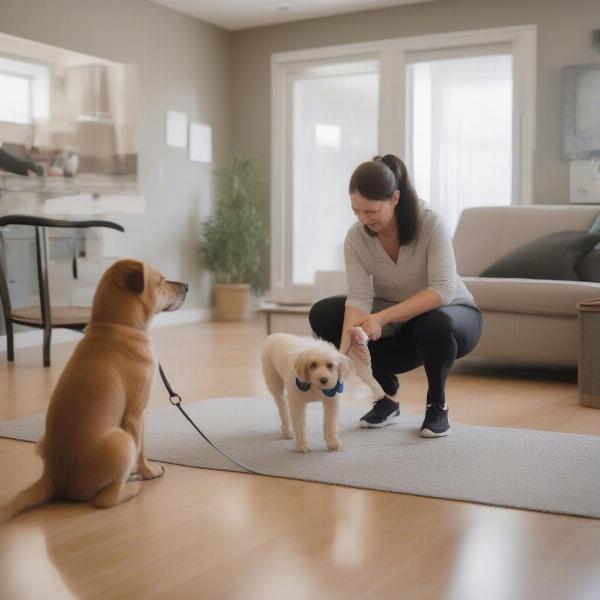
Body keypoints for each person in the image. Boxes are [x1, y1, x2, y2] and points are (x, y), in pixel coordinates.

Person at [309, 154, 482, 437]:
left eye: (371, 211)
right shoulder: (356, 237)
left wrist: (382, 318)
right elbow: (359, 296)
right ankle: (384, 397)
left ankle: (437, 405)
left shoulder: (431, 224)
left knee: (434, 323)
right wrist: (343, 353)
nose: (364, 219)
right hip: (399, 323)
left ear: (395, 198)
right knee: (324, 313)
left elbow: (442, 289)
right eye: (356, 212)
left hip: (452, 315)